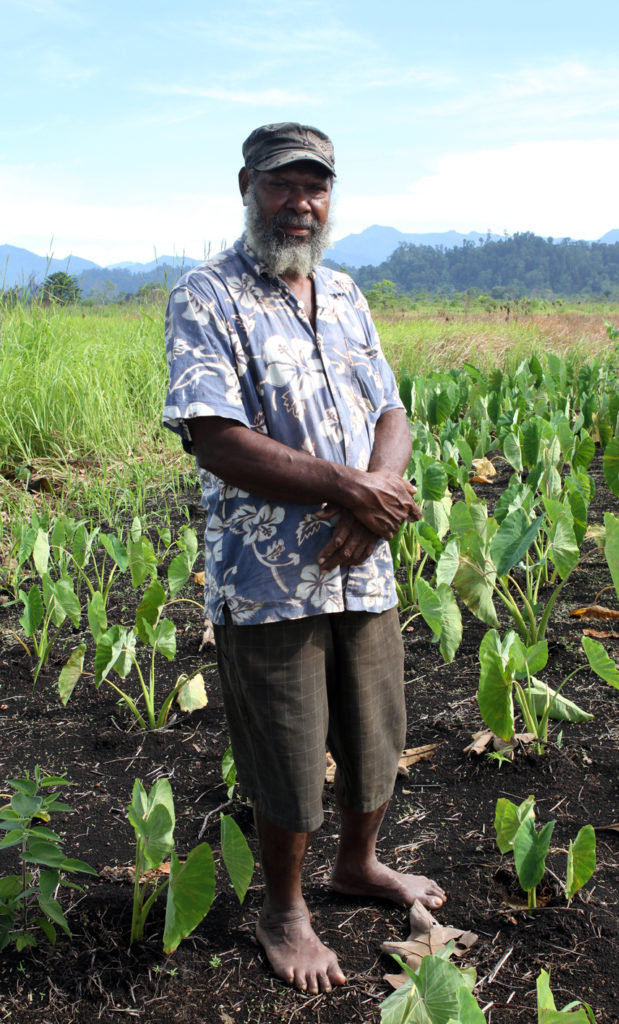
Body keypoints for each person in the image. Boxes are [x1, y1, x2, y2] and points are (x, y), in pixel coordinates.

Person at [163, 122, 446, 995]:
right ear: (246, 186)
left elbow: (390, 410)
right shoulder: (207, 295)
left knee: (374, 735)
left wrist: (379, 495)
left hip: (364, 559)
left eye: (315, 186)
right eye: (283, 185)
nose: (301, 203)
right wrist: (344, 488)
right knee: (286, 752)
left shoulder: (347, 291)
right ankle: (283, 907)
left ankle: (357, 865)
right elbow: (214, 437)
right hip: (269, 578)